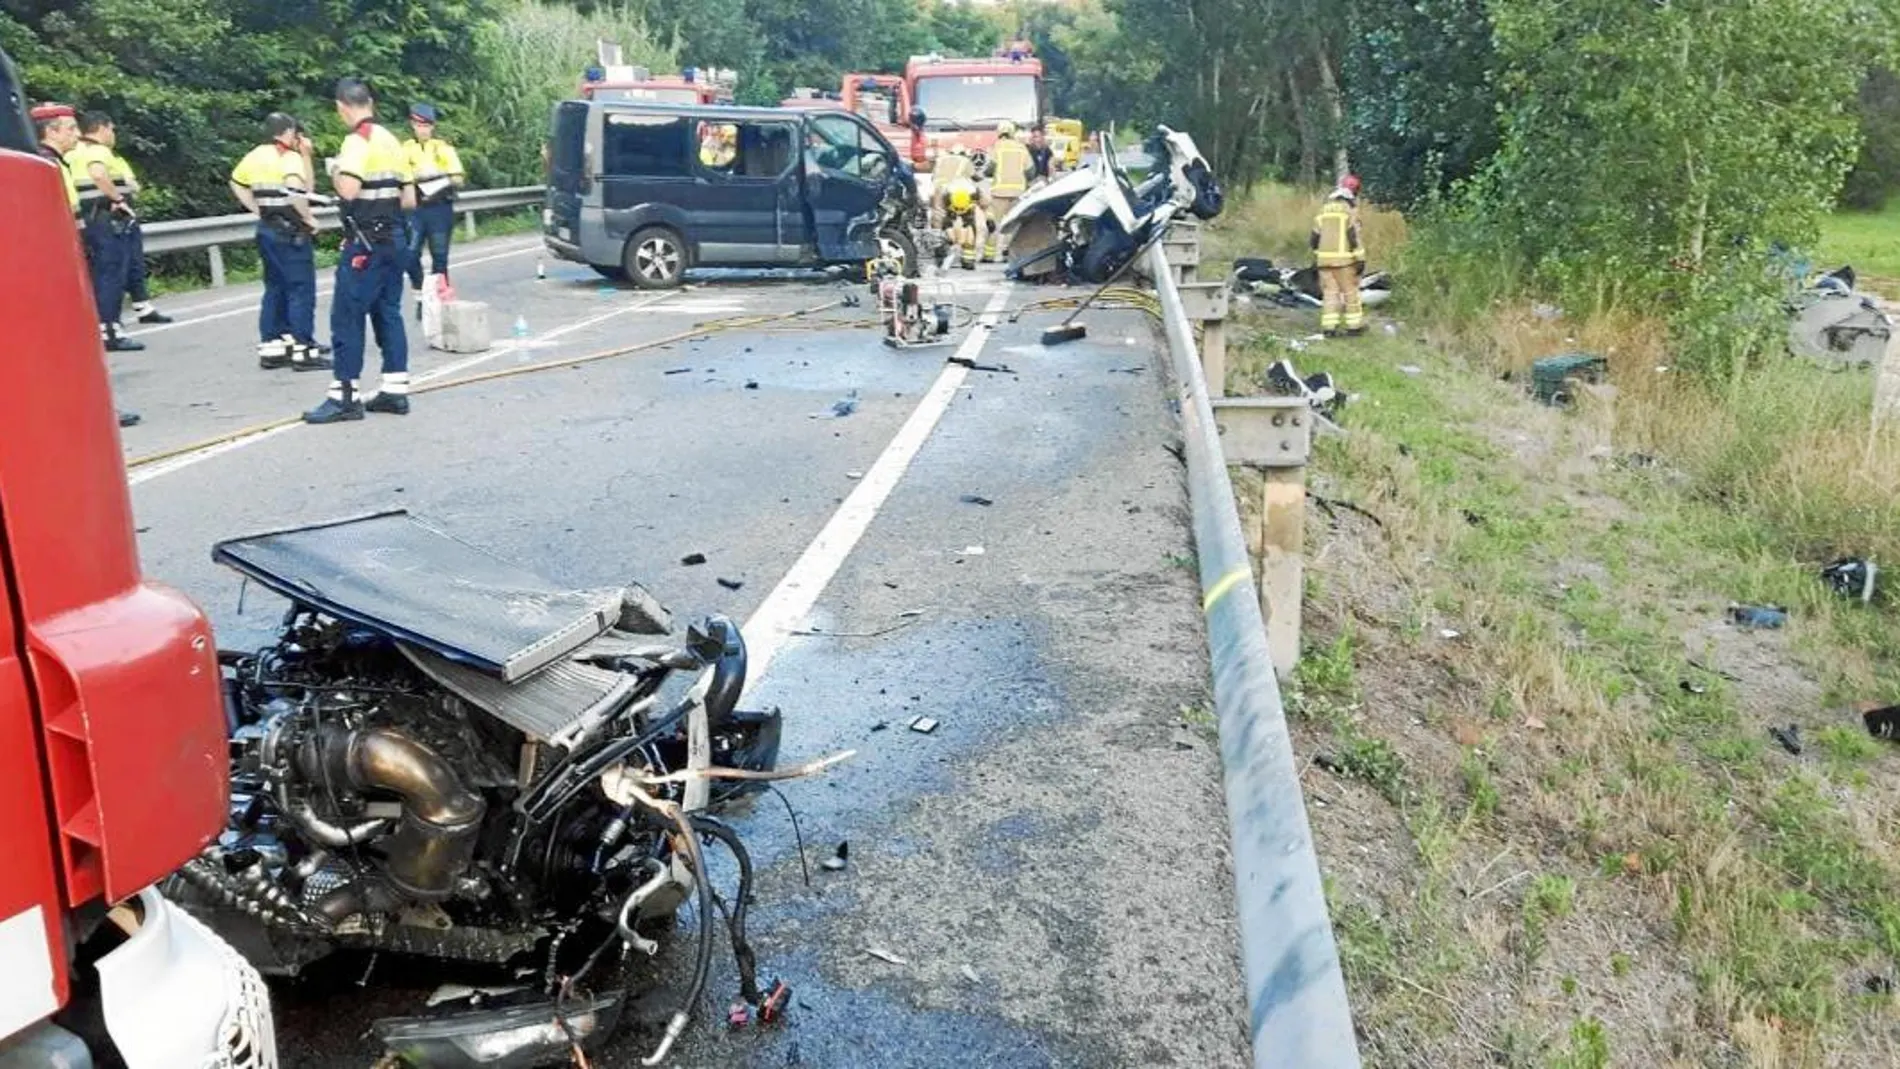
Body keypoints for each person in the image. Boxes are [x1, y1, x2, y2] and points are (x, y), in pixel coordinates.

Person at [305, 77, 415, 424]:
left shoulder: (357, 141)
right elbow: (409, 199)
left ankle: (345, 396)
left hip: (365, 244)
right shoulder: (393, 141)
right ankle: (395, 391)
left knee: (347, 316)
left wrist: (335, 170)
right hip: (396, 239)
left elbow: (349, 190)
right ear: (371, 102)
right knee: (389, 312)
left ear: (342, 106)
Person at [37, 103, 138, 427]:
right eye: (69, 129)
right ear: (50, 131)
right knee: (77, 341)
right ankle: (90, 408)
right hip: (64, 260)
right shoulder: (46, 164)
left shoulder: (53, 162)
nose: (77, 135)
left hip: (68, 255)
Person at [231, 113, 329, 371]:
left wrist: (256, 209)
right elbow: (299, 188)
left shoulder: (255, 155)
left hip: (267, 228)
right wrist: (308, 219)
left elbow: (237, 182)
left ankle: (273, 347)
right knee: (300, 290)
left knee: (274, 287)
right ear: (288, 132)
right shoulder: (288, 157)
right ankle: (303, 351)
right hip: (290, 231)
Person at [65, 112, 145, 352]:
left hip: (87, 218)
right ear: (101, 128)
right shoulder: (98, 151)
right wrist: (119, 198)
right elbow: (99, 174)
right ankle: (110, 329)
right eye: (112, 129)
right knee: (111, 274)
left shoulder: (72, 153)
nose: (113, 134)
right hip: (104, 218)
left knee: (99, 274)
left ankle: (101, 327)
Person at [401, 102, 465, 310]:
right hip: (416, 207)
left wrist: (436, 175)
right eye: (419, 125)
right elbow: (400, 175)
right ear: (412, 125)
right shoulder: (405, 149)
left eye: (427, 125)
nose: (423, 130)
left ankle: (440, 296)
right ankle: (420, 291)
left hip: (439, 206)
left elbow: (458, 177)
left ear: (433, 126)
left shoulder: (442, 148)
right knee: (410, 254)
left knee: (439, 256)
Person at [1310, 175, 1367, 336]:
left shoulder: (1323, 210)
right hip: (1344, 262)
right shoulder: (1349, 211)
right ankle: (1354, 327)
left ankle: (1329, 328)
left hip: (1324, 262)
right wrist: (1360, 259)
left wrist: (1317, 256)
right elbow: (1353, 237)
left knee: (1330, 294)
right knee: (1350, 293)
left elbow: (1314, 238)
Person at [987, 120, 1032, 260]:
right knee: (1013, 224)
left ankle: (989, 255)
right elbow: (1030, 171)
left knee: (994, 224)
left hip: (999, 192)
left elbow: (989, 169)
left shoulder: (996, 148)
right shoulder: (1022, 148)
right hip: (1018, 193)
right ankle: (1009, 252)